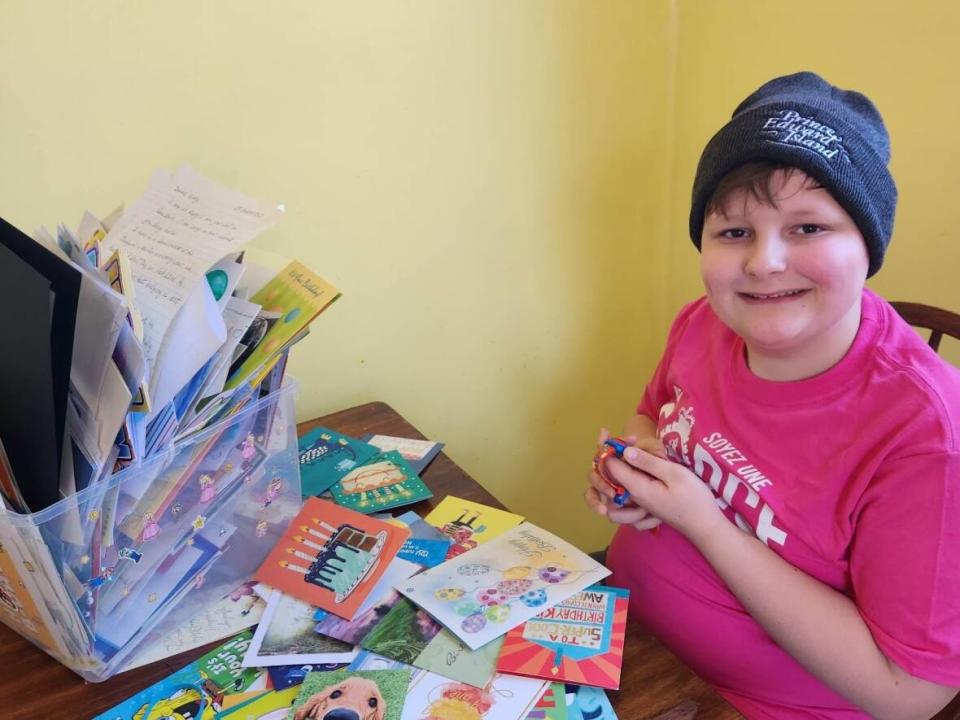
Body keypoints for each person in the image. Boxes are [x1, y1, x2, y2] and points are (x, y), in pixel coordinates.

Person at [584, 72, 960, 719]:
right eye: (733, 232)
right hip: (625, 642)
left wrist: (701, 521)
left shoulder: (928, 435)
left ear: (867, 247)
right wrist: (637, 463)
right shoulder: (702, 321)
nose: (763, 263)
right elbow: (652, 412)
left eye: (808, 228)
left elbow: (910, 695)